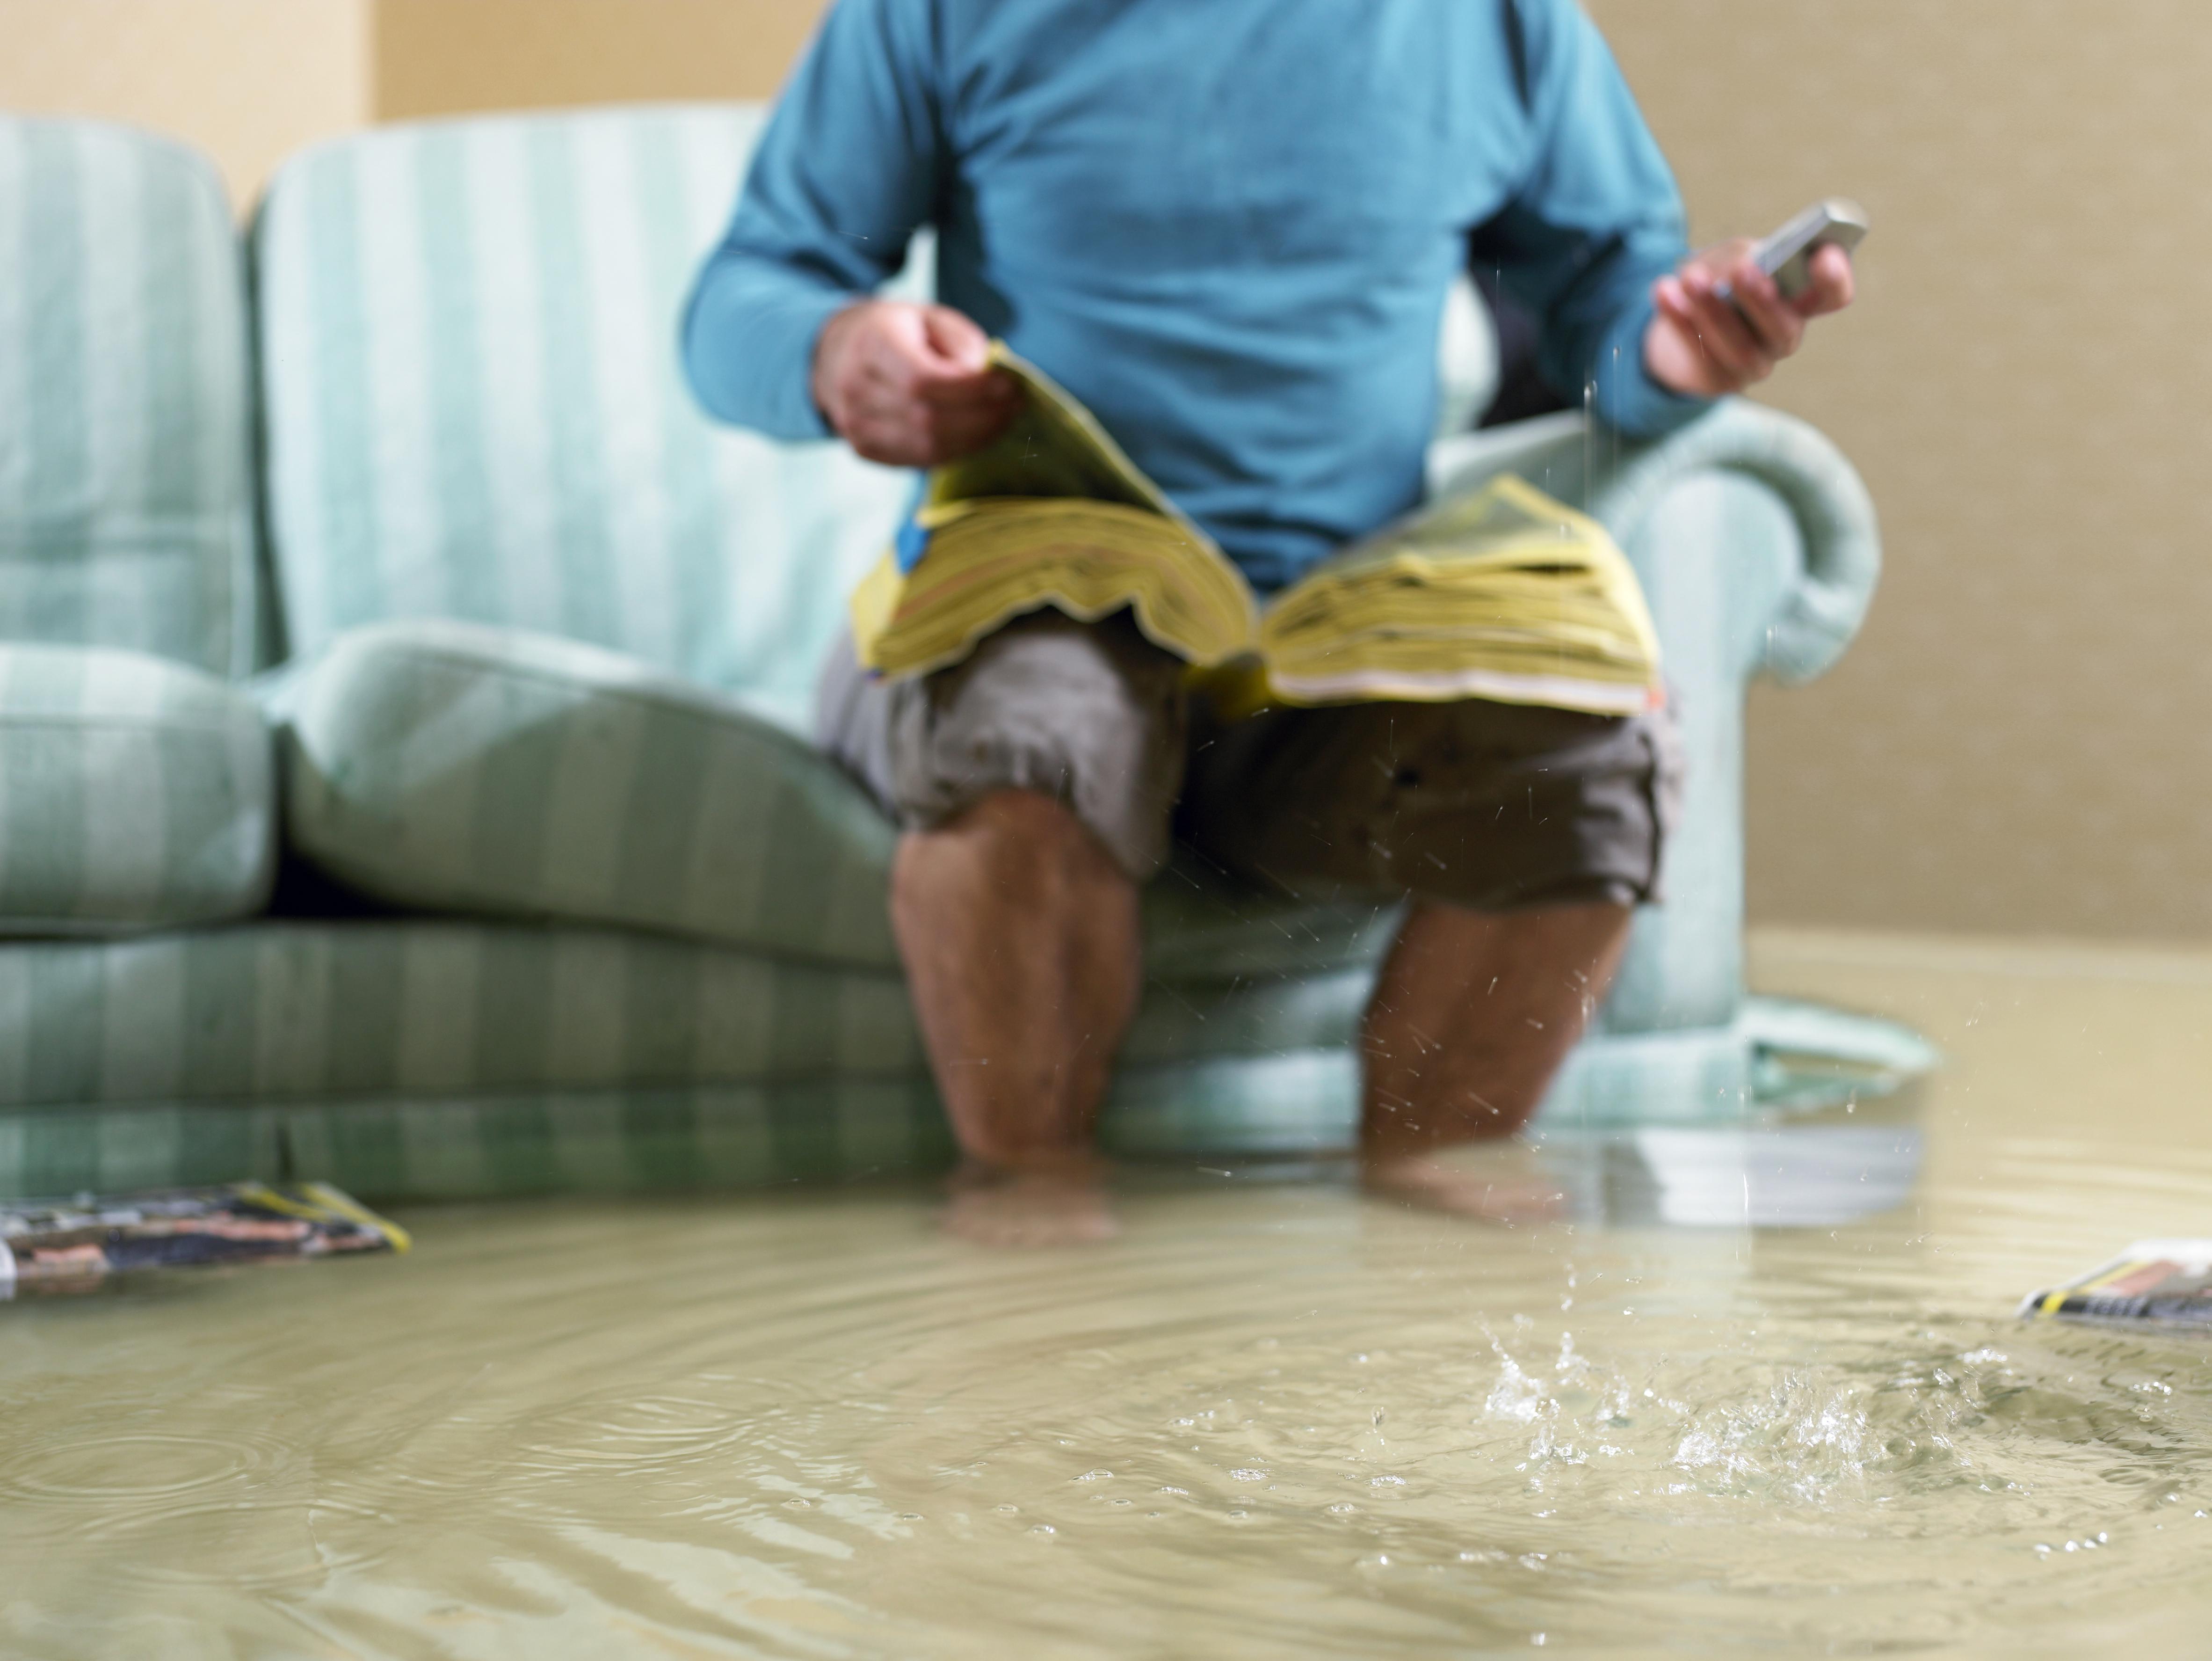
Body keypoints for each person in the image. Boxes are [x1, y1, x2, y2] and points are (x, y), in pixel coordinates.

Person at [683, 0, 1854, 1243]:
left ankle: (1428, 1184)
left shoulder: (1501, 23)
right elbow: (747, 292)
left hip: (1335, 643)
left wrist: (1680, 351)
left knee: (1591, 758)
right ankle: (1027, 1201)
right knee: (1033, 734)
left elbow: (1610, 321)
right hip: (1038, 588)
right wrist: (832, 349)